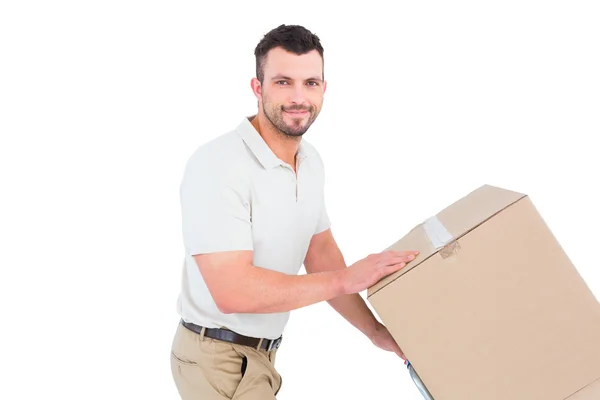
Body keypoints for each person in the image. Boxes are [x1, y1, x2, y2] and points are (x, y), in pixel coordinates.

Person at [170, 24, 419, 399]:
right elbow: (231, 291)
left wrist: (375, 331)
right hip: (216, 359)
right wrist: (347, 279)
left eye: (311, 83)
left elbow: (320, 255)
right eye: (283, 82)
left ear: (323, 89)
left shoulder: (310, 161)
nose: (299, 97)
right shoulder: (218, 165)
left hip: (261, 356)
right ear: (258, 88)